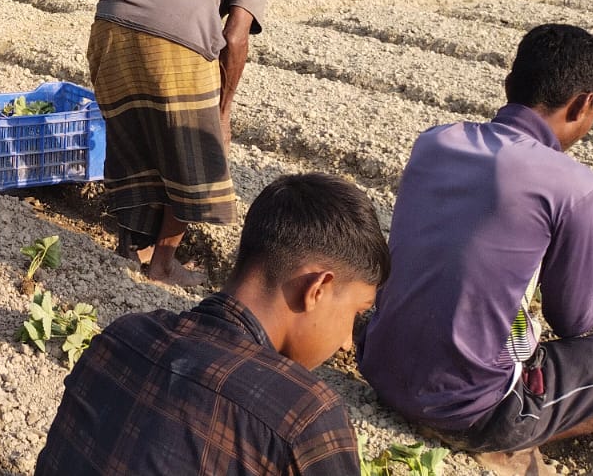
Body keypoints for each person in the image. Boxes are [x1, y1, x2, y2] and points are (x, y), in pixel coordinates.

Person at [359, 24, 593, 476]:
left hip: (380, 368)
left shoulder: (435, 141)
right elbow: (572, 320)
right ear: (583, 105)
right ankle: (527, 434)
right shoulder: (572, 186)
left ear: (509, 84)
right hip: (475, 410)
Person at [35, 173, 389, 476]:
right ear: (318, 289)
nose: (346, 342)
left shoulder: (120, 339)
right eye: (356, 314)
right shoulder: (305, 414)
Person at [87, 0, 299, 286]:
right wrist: (223, 111)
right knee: (195, 156)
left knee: (133, 142)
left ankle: (132, 247)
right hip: (175, 39)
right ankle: (164, 265)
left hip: (108, 25)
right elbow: (235, 36)